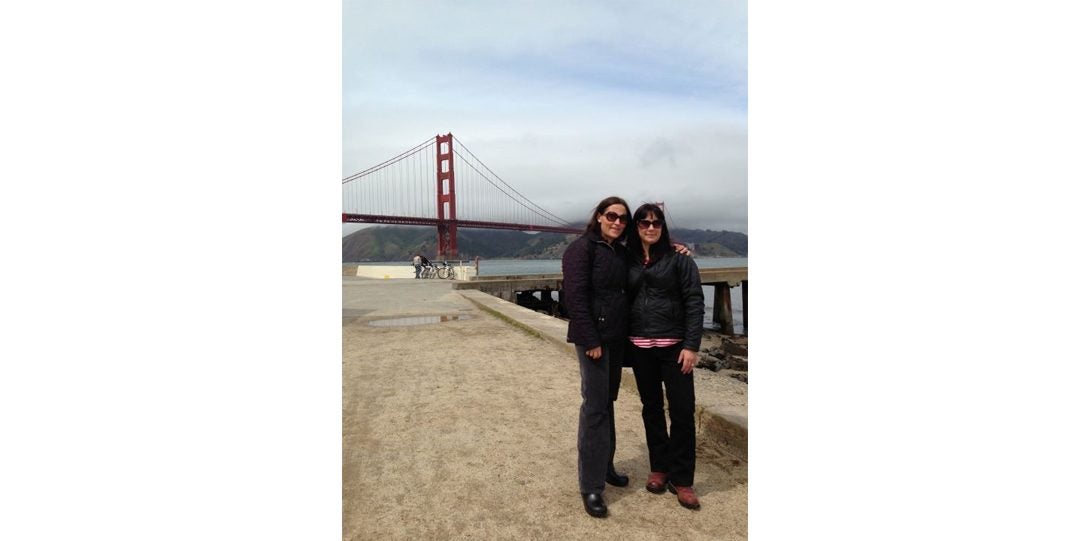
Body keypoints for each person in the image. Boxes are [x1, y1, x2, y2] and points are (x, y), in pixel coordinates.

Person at [625, 203, 705, 510]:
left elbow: (695, 301)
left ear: (663, 227)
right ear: (636, 227)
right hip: (640, 346)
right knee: (652, 409)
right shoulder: (627, 259)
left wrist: (692, 345)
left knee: (683, 411)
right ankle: (659, 467)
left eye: (656, 222)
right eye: (644, 222)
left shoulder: (679, 260)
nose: (650, 227)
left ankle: (682, 480)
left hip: (675, 347)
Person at [561, 196, 633, 519]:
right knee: (594, 406)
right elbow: (574, 296)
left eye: (623, 219)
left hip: (616, 339)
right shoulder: (581, 249)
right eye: (612, 216)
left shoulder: (620, 251)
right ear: (599, 217)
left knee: (607, 402)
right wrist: (590, 338)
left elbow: (650, 262)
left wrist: (679, 252)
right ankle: (591, 486)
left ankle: (606, 466)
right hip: (593, 340)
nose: (617, 222)